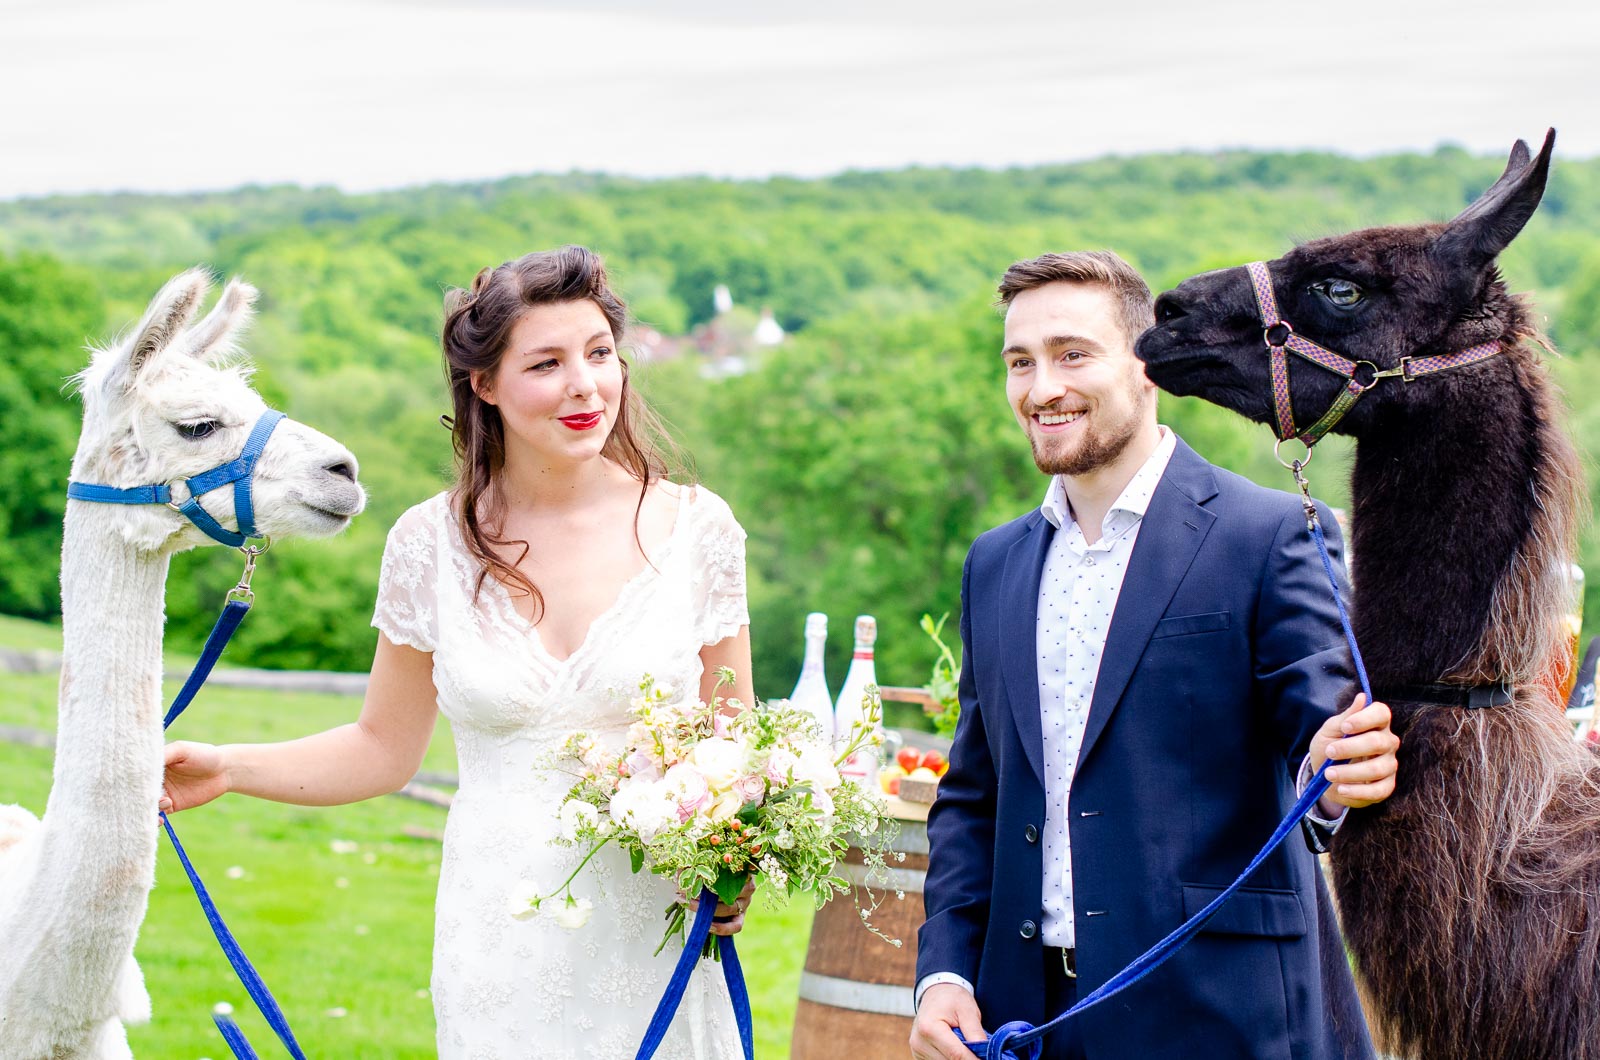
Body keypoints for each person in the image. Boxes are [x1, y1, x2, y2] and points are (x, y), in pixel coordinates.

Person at [160, 246, 756, 1059]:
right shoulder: (426, 544)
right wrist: (229, 766)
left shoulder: (699, 530)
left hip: (656, 936)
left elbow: (735, 749)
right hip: (498, 944)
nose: (585, 385)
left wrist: (737, 859)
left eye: (600, 354)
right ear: (485, 384)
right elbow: (380, 747)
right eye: (546, 363)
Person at [910, 252, 1399, 1060]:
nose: (1041, 388)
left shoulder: (1270, 535)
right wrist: (946, 978)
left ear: (1149, 365)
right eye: (1020, 363)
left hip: (1220, 1019)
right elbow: (973, 799)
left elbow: (1328, 749)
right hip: (1024, 1024)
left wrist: (1336, 768)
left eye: (1073, 354)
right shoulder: (993, 565)